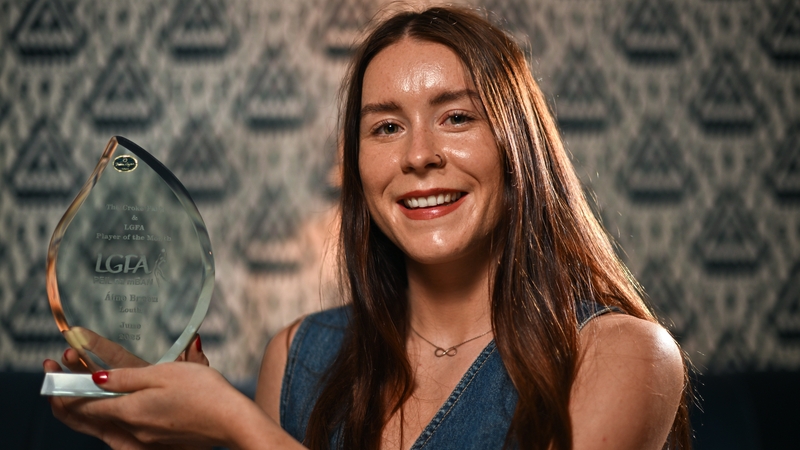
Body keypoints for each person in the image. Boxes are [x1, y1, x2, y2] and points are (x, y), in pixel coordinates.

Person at [44, 6, 690, 449]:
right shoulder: (298, 355)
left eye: (457, 117)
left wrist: (241, 430)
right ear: (358, 166)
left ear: (519, 147)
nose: (417, 155)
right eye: (385, 126)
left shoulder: (621, 355)